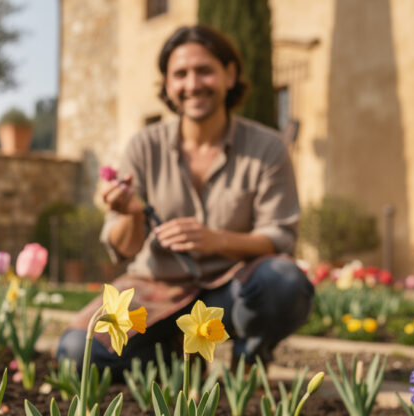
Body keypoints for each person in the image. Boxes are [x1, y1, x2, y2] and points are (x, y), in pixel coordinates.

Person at [57, 24, 314, 377]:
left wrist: (216, 240)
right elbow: (125, 249)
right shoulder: (144, 147)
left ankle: (249, 358)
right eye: (180, 74)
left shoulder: (267, 148)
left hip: (230, 289)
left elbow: (280, 237)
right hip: (154, 290)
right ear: (166, 84)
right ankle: (176, 362)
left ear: (230, 74)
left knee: (284, 281)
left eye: (204, 70)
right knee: (76, 353)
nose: (192, 84)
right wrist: (129, 214)